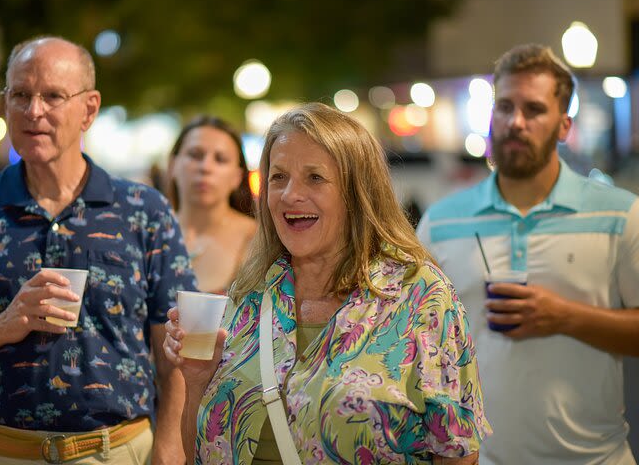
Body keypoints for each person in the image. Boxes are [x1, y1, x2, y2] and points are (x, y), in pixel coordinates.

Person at [0, 36, 196, 464]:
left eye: (52, 96)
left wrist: (170, 444)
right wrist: (4, 324)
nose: (34, 112)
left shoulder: (144, 210)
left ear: (89, 108)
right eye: (21, 95)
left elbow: (175, 345)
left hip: (116, 452)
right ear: (4, 103)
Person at [164, 102, 491, 464]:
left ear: (356, 192)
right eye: (278, 177)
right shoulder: (250, 294)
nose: (290, 195)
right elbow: (203, 451)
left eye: (315, 178)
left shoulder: (421, 297)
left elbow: (456, 453)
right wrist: (196, 383)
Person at [417, 44, 639, 464]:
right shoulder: (441, 223)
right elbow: (419, 342)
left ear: (563, 125)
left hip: (597, 458)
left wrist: (565, 316)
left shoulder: (621, 213)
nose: (515, 122)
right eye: (504, 106)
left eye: (534, 110)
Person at [166, 115, 256, 293]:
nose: (206, 167)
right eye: (195, 155)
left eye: (220, 159)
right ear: (172, 165)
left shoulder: (259, 240)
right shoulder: (150, 234)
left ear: (237, 177)